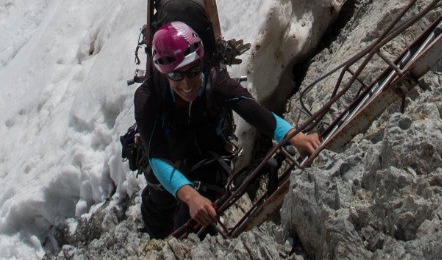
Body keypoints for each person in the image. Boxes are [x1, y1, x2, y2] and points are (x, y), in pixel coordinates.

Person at [135, 21, 322, 234]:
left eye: (193, 70)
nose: (186, 84)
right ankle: (158, 243)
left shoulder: (216, 82)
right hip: (168, 160)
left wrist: (294, 136)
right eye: (176, 75)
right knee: (160, 211)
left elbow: (254, 111)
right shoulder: (148, 99)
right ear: (163, 73)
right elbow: (157, 156)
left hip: (207, 158)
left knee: (202, 218)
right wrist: (190, 196)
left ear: (200, 62)